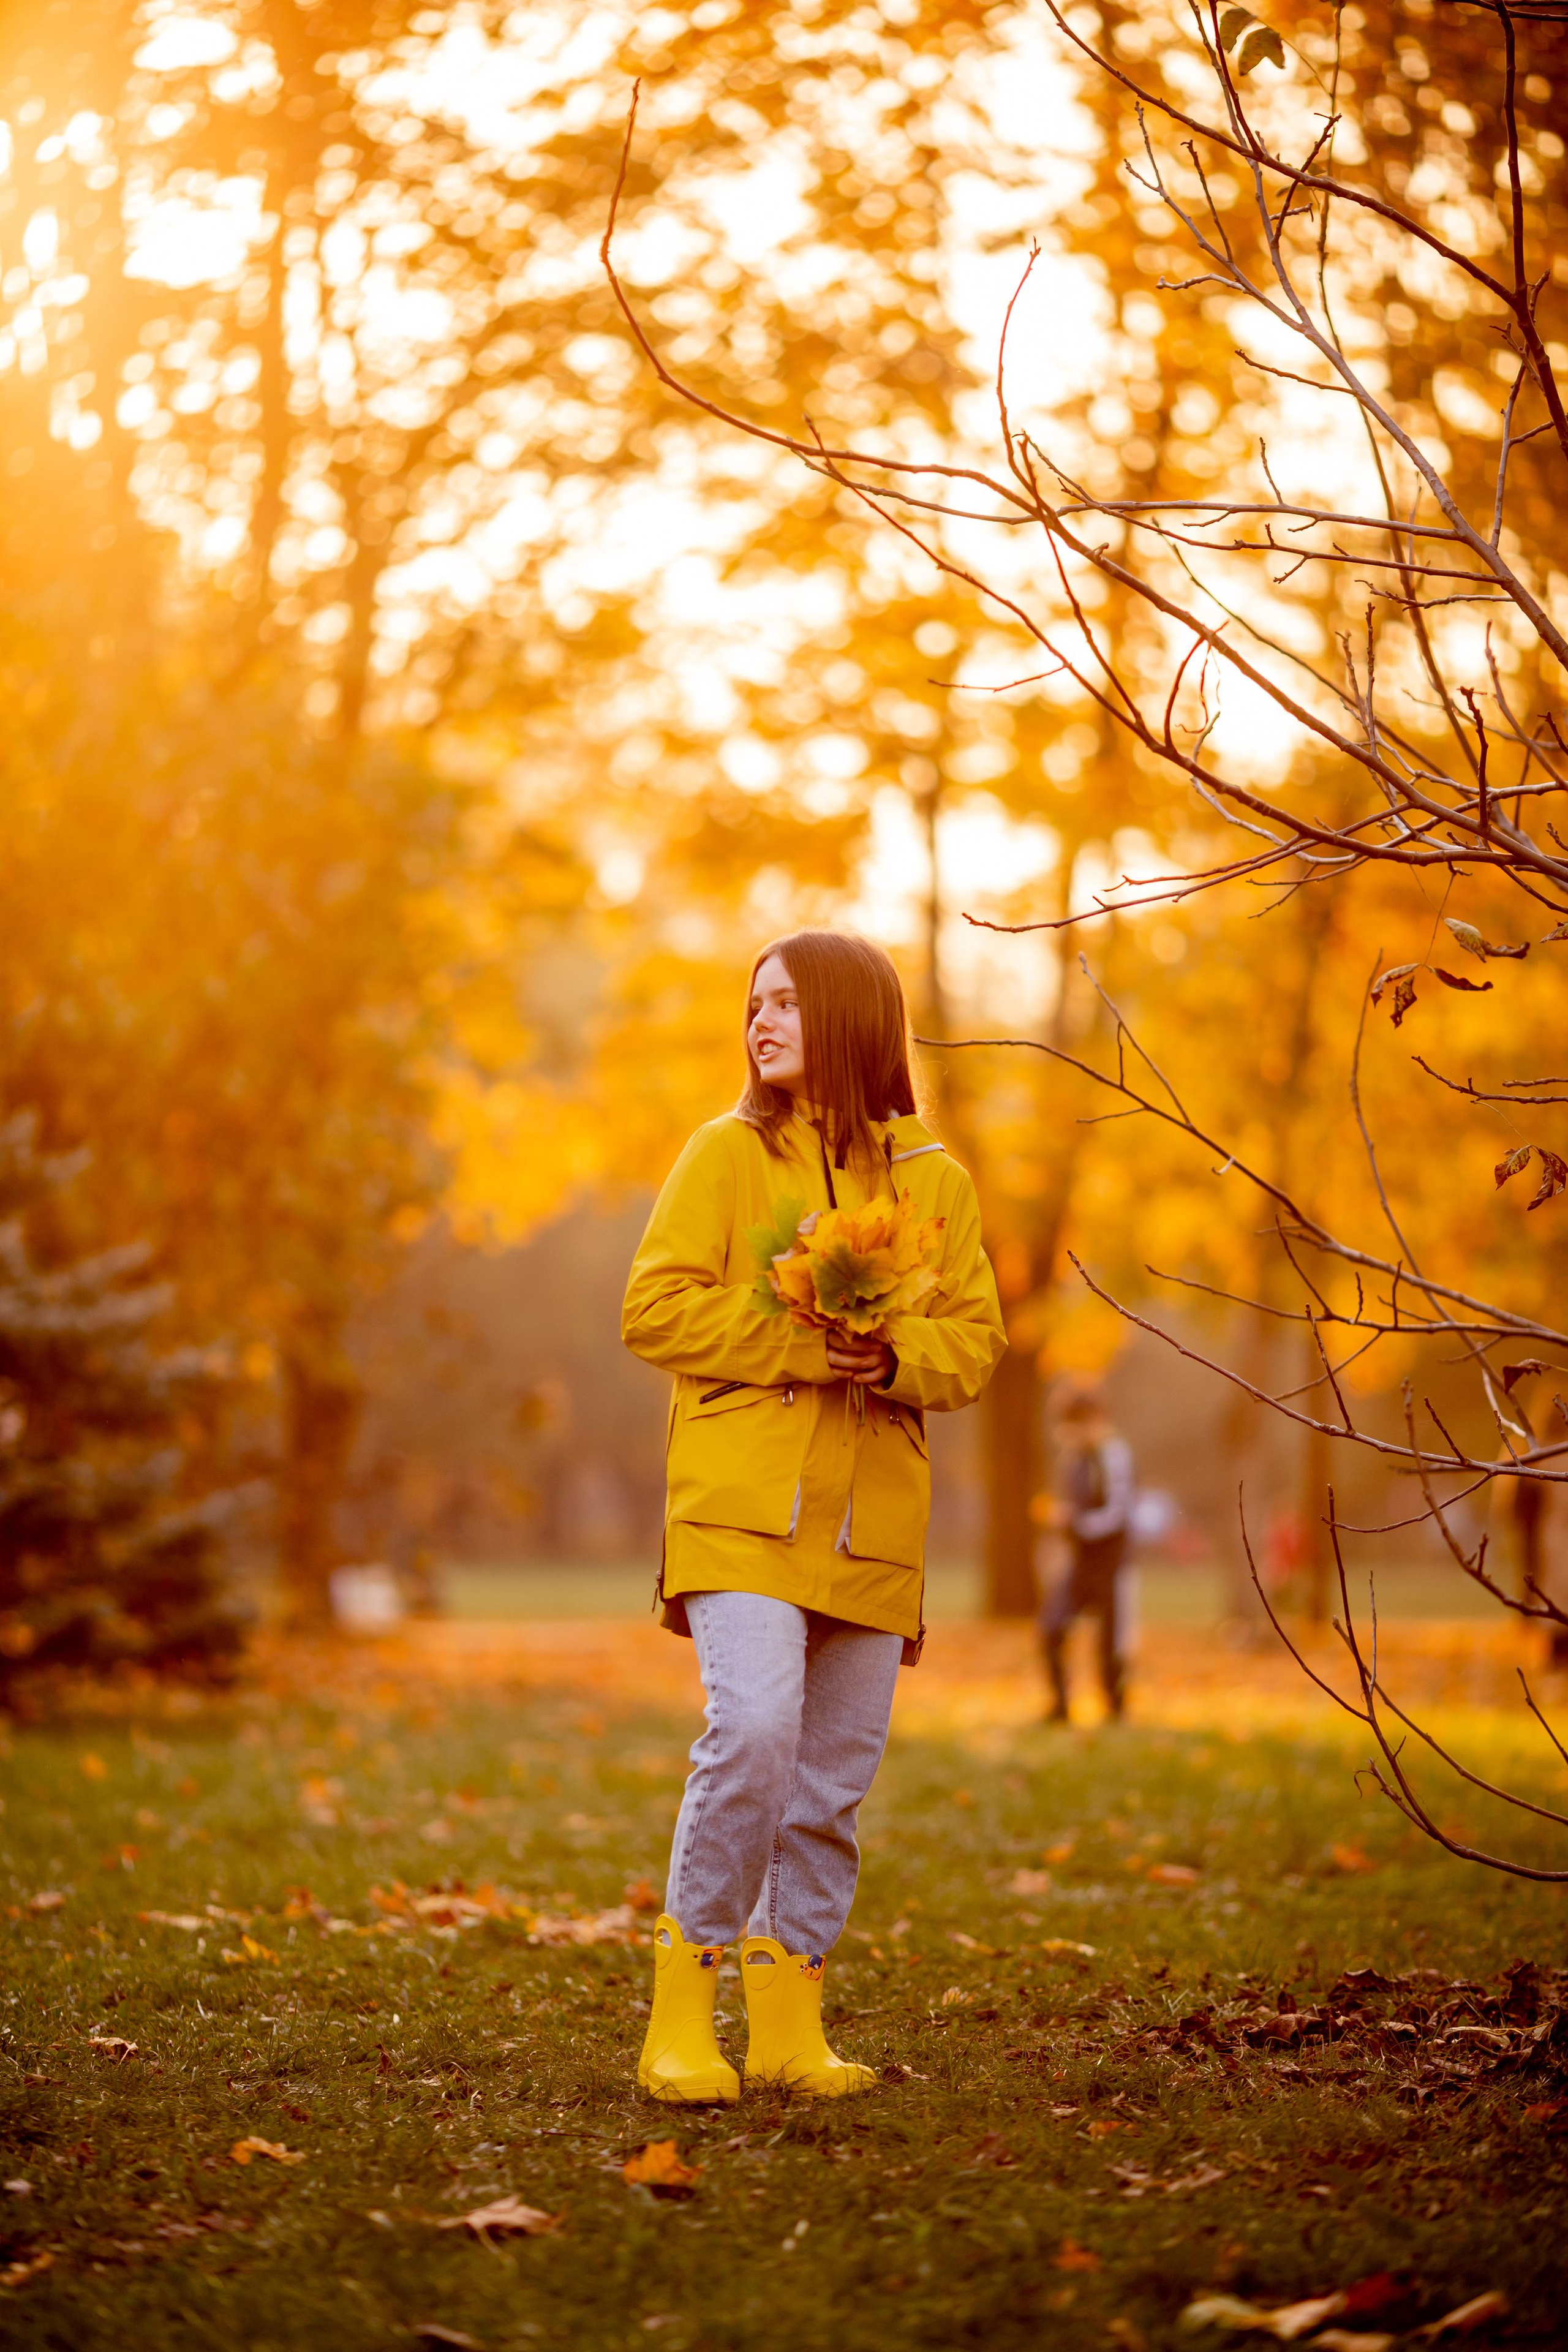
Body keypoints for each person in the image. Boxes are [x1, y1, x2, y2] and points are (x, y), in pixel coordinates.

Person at [621, 930, 1005, 2103]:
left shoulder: (934, 1179)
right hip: (741, 1511)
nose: (762, 1020)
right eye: (755, 1002)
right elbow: (653, 1310)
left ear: (849, 1018)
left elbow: (977, 1344)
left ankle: (790, 2022)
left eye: (787, 1001)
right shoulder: (724, 1156)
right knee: (754, 1735)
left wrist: (886, 1353)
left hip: (874, 1533)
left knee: (831, 1783)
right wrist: (800, 1340)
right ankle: (683, 2015)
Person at [1036, 1390, 1134, 1724]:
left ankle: (1116, 1710)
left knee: (1113, 1643)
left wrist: (1073, 1522)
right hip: (1080, 1564)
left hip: (1113, 1565)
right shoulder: (1073, 1459)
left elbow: (1116, 1514)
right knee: (1051, 1628)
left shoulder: (1115, 1456)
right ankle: (1060, 1706)